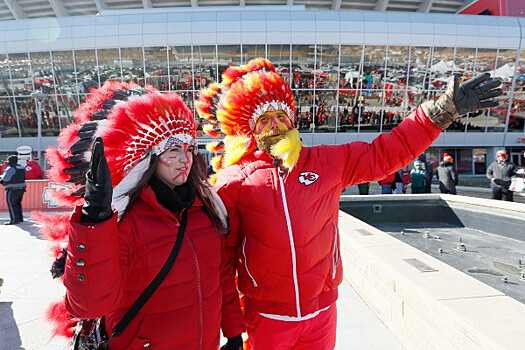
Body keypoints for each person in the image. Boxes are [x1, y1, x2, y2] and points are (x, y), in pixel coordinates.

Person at [195, 58, 502, 349]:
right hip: (266, 317)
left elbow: (387, 152)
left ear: (292, 118)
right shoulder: (233, 181)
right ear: (249, 128)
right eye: (264, 120)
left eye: (280, 115)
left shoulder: (327, 161)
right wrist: (232, 329)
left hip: (322, 312)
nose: (275, 125)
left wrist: (439, 113)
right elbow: (222, 263)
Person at [40, 85, 244, 349]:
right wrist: (95, 222)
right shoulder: (125, 222)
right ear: (148, 158)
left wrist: (234, 332)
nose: (185, 159)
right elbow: (88, 304)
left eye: (190, 149)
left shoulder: (206, 211)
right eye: (173, 150)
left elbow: (222, 278)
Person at [0, 155, 26, 225]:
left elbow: (6, 178)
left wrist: (1, 177)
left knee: (12, 204)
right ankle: (20, 218)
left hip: (13, 189)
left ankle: (14, 220)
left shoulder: (10, 168)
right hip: (22, 188)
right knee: (17, 204)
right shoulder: (21, 167)